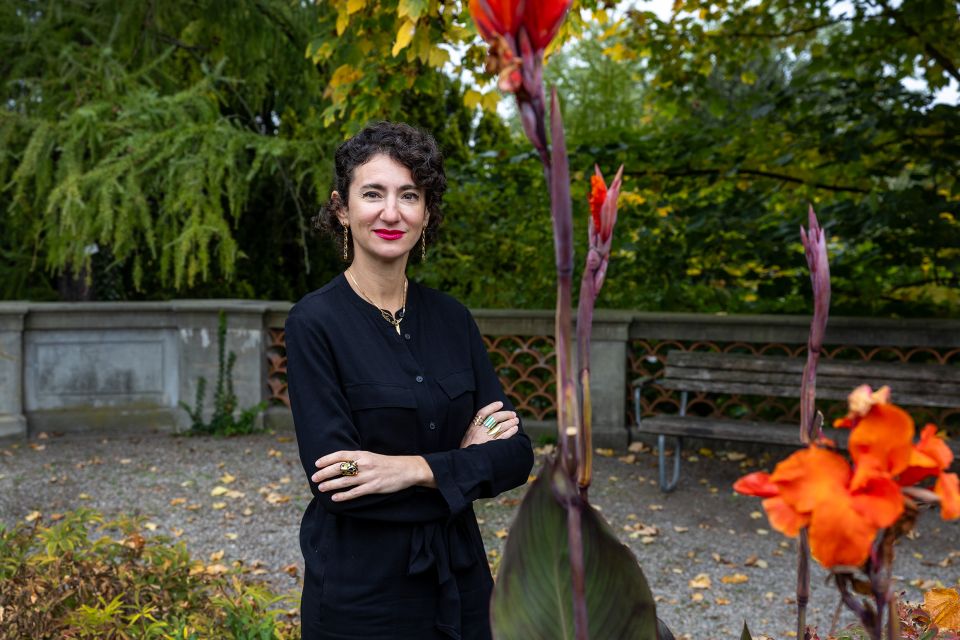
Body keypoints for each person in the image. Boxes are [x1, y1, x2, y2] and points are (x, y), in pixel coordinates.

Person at [284, 121, 535, 640]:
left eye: (410, 195)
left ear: (426, 212)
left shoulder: (452, 318)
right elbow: (339, 481)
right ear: (341, 207)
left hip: (462, 581)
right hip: (362, 594)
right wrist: (463, 465)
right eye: (373, 193)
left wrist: (409, 469)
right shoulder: (314, 323)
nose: (391, 212)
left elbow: (515, 456)